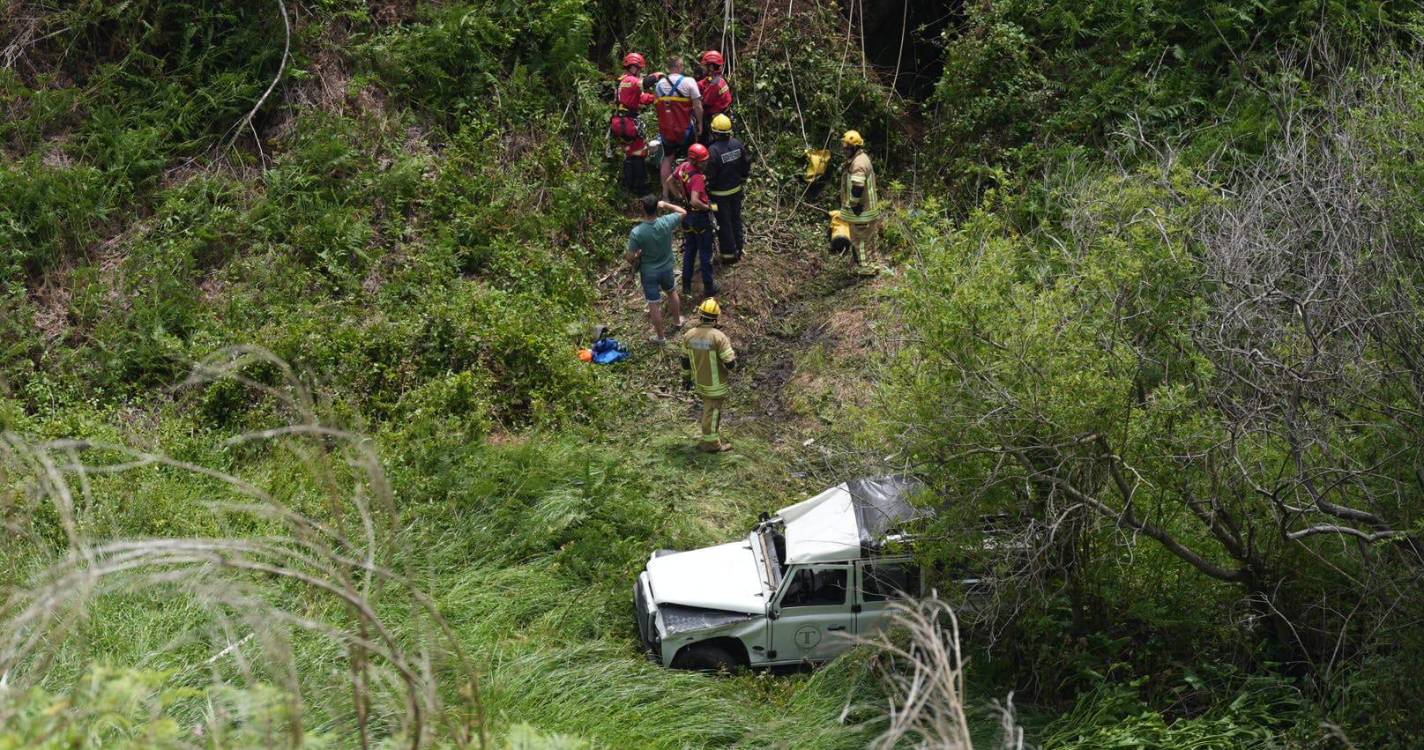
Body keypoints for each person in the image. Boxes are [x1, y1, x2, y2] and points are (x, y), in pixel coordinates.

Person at [625, 195, 686, 344]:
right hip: (666, 267)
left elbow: (629, 257)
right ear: (656, 208)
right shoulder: (666, 222)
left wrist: (638, 254)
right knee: (671, 292)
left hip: (649, 272)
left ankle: (660, 337)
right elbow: (683, 212)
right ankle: (677, 322)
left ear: (643, 209)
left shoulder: (637, 232)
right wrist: (665, 204)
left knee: (653, 303)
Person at [681, 298, 737, 452]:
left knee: (708, 409)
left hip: (700, 382)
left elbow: (685, 361)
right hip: (716, 385)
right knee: (712, 413)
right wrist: (733, 359)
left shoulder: (689, 335)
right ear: (716, 318)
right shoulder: (718, 337)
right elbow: (730, 363)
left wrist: (686, 379)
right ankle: (711, 444)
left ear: (700, 315)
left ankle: (710, 439)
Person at [666, 143, 716, 297]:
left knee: (689, 251)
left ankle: (686, 286)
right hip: (699, 217)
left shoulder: (684, 167)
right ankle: (709, 288)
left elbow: (669, 181)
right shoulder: (698, 178)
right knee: (705, 253)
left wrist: (679, 197)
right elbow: (695, 201)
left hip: (687, 216)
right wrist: (708, 208)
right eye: (703, 161)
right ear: (696, 161)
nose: (705, 163)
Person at [654, 56, 703, 199]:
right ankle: (688, 192)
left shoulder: (659, 85)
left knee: (667, 159)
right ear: (680, 66)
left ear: (669, 67)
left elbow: (658, 107)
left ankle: (665, 194)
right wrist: (700, 123)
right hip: (685, 130)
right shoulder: (689, 82)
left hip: (666, 130)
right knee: (690, 159)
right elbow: (698, 106)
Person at [704, 113, 750, 265]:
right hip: (736, 192)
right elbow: (745, 166)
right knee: (736, 219)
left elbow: (711, 175)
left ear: (715, 132)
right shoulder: (737, 144)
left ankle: (729, 255)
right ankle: (739, 246)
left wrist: (706, 187)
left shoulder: (712, 151)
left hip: (719, 196)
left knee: (724, 223)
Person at [611, 52, 658, 195]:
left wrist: (655, 98)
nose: (640, 72)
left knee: (629, 153)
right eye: (639, 69)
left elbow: (641, 98)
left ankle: (627, 186)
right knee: (639, 153)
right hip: (628, 122)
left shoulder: (622, 81)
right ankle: (641, 188)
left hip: (619, 121)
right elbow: (645, 84)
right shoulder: (631, 80)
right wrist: (658, 76)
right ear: (634, 67)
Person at [839, 130, 881, 274]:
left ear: (854, 147)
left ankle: (865, 268)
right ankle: (874, 264)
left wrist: (852, 204)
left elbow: (857, 187)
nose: (844, 150)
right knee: (869, 240)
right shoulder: (861, 158)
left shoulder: (858, 164)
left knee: (860, 242)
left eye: (847, 148)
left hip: (862, 211)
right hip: (867, 210)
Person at [697, 50, 733, 144]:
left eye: (705, 66)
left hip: (714, 118)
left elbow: (705, 102)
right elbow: (704, 82)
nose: (703, 68)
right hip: (723, 115)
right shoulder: (719, 78)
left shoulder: (714, 84)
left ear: (711, 67)